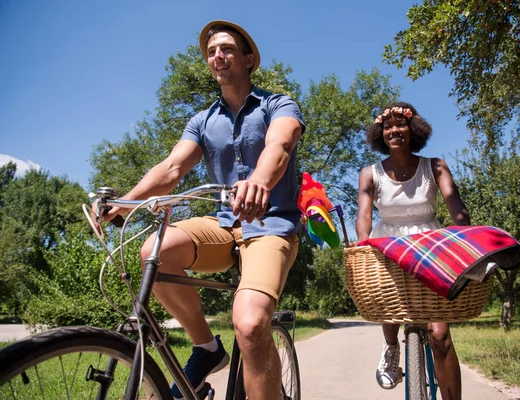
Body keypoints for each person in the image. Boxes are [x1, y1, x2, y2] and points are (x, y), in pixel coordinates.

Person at [95, 20, 304, 399]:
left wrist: (259, 180)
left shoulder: (278, 104)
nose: (217, 56)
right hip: (223, 225)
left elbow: (280, 145)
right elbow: (172, 168)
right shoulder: (203, 121)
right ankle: (207, 348)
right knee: (154, 253)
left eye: (226, 49)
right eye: (211, 52)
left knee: (252, 323)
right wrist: (126, 203)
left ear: (249, 59)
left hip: (272, 226)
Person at [355, 102, 469, 400]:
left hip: (431, 245)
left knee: (441, 337)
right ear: (381, 133)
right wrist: (363, 241)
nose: (394, 130)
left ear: (413, 129)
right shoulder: (370, 173)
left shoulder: (435, 166)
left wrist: (463, 231)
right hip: (388, 244)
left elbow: (455, 205)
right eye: (387, 126)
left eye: (401, 124)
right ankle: (391, 347)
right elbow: (365, 213)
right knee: (388, 301)